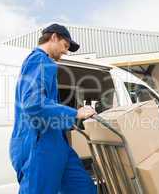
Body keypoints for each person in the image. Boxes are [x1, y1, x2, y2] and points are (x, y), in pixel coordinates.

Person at [9, 24, 97, 194]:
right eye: (65, 46)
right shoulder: (40, 60)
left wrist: (72, 119)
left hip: (56, 142)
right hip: (39, 145)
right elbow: (33, 103)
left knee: (83, 188)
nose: (66, 52)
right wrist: (75, 113)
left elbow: (44, 105)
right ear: (54, 37)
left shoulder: (44, 63)